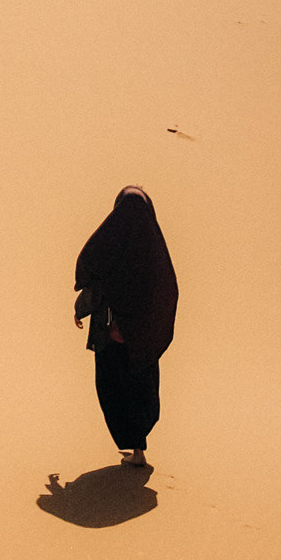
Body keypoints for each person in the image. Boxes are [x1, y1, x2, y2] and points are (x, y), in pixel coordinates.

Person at [73, 186, 178, 467]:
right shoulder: (155, 251)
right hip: (141, 340)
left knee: (114, 389)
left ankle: (136, 448)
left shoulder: (114, 238)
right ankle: (138, 449)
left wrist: (92, 310)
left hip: (115, 336)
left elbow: (93, 263)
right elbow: (166, 294)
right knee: (139, 389)